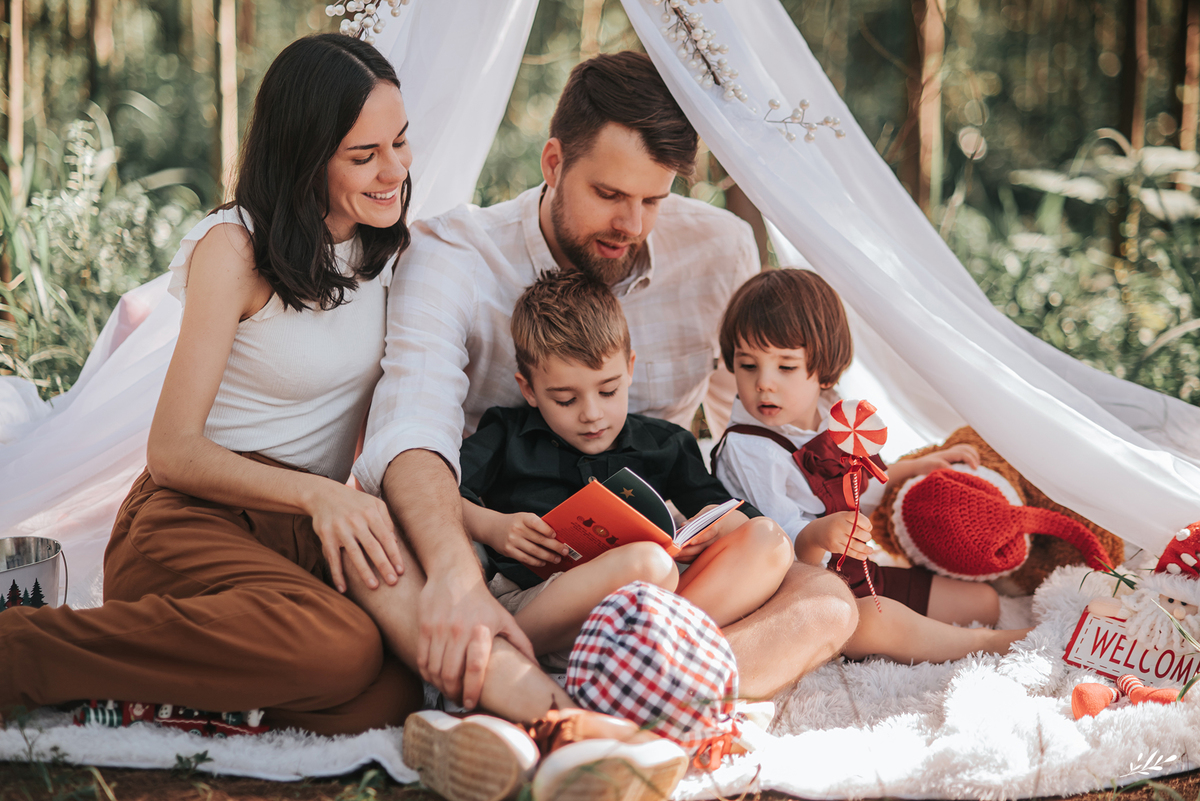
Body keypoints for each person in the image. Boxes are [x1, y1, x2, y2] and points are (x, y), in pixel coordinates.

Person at [352, 51, 859, 715]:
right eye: (611, 195)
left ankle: (612, 696)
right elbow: (409, 431)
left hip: (664, 574)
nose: (635, 225)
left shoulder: (719, 248)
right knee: (377, 542)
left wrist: (825, 496)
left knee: (829, 604)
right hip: (512, 565)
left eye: (655, 198)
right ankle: (618, 700)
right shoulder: (453, 255)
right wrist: (455, 575)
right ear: (554, 164)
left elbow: (756, 417)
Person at [0, 34, 424, 732]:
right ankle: (19, 650)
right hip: (192, 520)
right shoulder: (235, 248)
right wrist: (323, 494)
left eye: (400, 143)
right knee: (343, 649)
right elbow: (172, 450)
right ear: (304, 154)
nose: (394, 171)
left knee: (396, 691)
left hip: (300, 537)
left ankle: (161, 696)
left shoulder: (393, 252)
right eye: (364, 155)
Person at [458, 270, 793, 666]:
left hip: (652, 602)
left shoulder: (665, 443)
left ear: (630, 367)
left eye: (608, 390)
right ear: (529, 389)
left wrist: (714, 524)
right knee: (650, 565)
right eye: (566, 399)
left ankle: (647, 655)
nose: (592, 414)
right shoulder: (507, 433)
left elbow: (732, 514)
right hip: (540, 605)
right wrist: (491, 527)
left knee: (770, 541)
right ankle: (508, 650)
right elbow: (440, 491)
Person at [713, 269, 1032, 663]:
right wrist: (818, 533)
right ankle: (983, 645)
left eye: (786, 366)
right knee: (877, 623)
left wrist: (912, 468)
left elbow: (859, 485)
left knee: (983, 601)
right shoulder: (750, 447)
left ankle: (964, 630)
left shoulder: (831, 411)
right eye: (748, 366)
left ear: (823, 369)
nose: (764, 383)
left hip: (855, 570)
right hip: (802, 592)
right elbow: (779, 545)